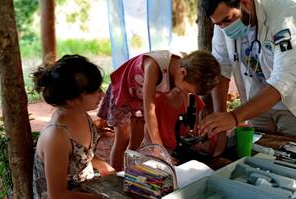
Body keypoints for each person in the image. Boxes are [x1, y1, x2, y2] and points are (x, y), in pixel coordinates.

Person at [199, 0, 296, 143]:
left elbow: (283, 79)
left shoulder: (286, 16)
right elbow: (221, 68)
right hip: (258, 103)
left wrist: (233, 117)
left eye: (228, 19)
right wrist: (220, 126)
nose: (225, 28)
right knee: (258, 155)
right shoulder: (223, 24)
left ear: (245, 2)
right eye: (219, 24)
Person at [97, 50, 221, 171]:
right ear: (182, 73)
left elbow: (186, 101)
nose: (187, 93)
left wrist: (191, 127)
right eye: (188, 90)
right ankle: (114, 177)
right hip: (123, 93)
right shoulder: (154, 66)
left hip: (139, 98)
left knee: (137, 140)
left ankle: (131, 175)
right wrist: (159, 149)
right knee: (123, 139)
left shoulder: (183, 68)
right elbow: (149, 109)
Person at [32, 55, 115, 199]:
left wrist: (100, 164)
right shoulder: (56, 137)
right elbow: (57, 195)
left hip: (84, 187)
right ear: (71, 100)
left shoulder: (81, 114)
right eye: (94, 90)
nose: (102, 94)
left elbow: (79, 158)